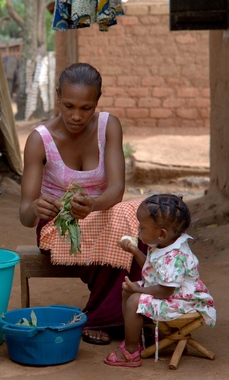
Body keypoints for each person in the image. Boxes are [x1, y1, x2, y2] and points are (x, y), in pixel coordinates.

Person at [19, 62, 146, 345]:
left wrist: (94, 204)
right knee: (110, 231)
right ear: (57, 97)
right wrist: (35, 208)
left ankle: (132, 311)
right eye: (69, 106)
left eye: (86, 108)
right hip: (59, 225)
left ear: (97, 101)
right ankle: (108, 316)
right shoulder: (39, 140)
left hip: (103, 212)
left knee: (141, 217)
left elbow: (116, 189)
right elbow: (25, 214)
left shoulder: (108, 126)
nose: (76, 116)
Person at [105, 194, 217, 367]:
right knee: (127, 291)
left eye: (141, 227)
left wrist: (138, 290)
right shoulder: (164, 244)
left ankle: (131, 351)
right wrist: (135, 252)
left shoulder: (176, 256)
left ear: (162, 234)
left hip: (183, 300)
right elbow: (152, 268)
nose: (138, 230)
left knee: (134, 298)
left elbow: (166, 290)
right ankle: (136, 335)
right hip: (168, 292)